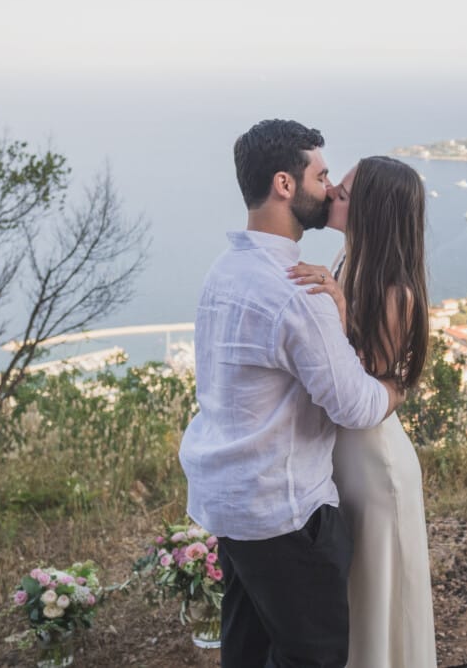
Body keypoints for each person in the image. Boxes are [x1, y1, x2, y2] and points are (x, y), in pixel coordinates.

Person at [179, 120, 406, 668]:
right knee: (314, 655)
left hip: (230, 502)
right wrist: (397, 384)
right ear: (285, 184)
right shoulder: (297, 289)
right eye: (322, 175)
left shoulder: (225, 269)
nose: (330, 190)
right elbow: (356, 405)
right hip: (285, 512)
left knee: (248, 647)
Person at [287, 156, 438, 668]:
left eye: (344, 193)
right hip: (343, 457)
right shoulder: (348, 260)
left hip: (375, 466)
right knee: (351, 592)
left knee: (380, 595)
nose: (330, 195)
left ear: (370, 212)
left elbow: (362, 389)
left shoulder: (397, 292)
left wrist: (338, 308)